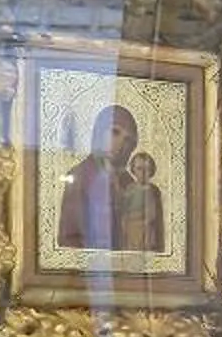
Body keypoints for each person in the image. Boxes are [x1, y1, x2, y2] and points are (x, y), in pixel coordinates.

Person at [56, 104, 164, 253]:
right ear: (99, 131)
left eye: (127, 140)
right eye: (114, 132)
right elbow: (69, 239)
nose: (120, 144)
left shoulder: (129, 182)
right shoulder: (80, 176)